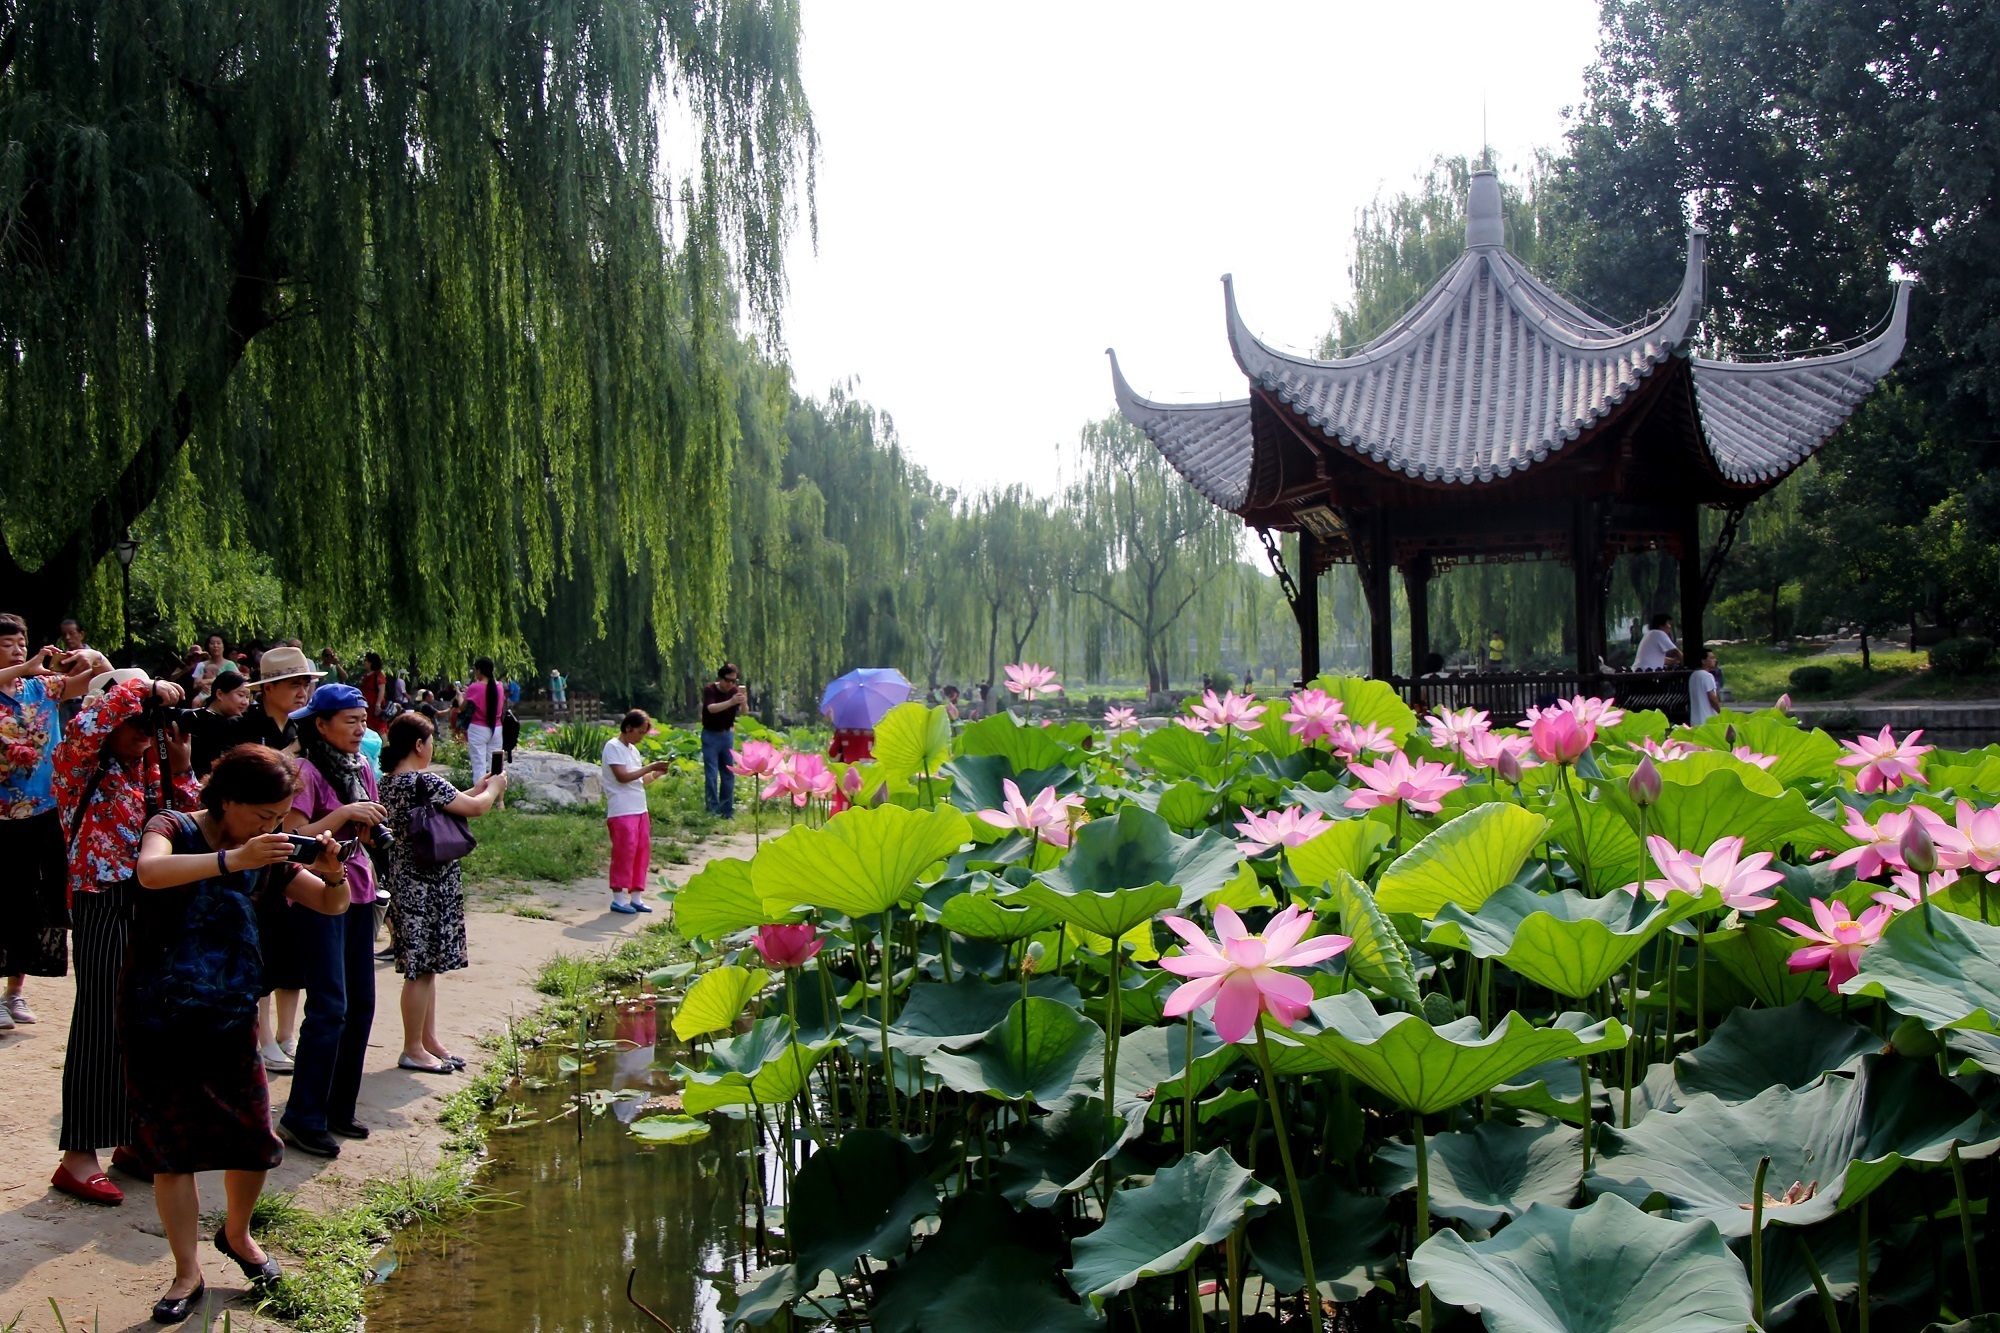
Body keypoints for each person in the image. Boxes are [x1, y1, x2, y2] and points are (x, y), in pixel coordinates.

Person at [131, 745, 351, 1321]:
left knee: (253, 1138)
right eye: (262, 815)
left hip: (232, 1015)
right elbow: (149, 872)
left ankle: (237, 1234)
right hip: (162, 1012)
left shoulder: (269, 851)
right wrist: (233, 859)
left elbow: (331, 906)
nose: (272, 828)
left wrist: (333, 875)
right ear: (227, 799)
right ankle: (186, 1271)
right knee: (171, 1150)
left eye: (279, 818)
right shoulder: (172, 825)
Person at [49, 669, 201, 1206]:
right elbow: (90, 725)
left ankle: (136, 1139)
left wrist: (181, 769)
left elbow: (187, 825)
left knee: (150, 1022)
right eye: (133, 719)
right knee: (100, 1018)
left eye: (151, 722)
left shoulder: (151, 769)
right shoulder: (77, 761)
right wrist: (141, 691)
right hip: (101, 899)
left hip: (151, 900)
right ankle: (78, 1156)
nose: (143, 729)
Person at [279, 684, 386, 1158]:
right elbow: (292, 836)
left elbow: (366, 831)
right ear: (321, 725)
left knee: (361, 1003)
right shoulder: (305, 770)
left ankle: (339, 1107)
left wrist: (366, 827)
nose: (359, 729)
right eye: (349, 721)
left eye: (363, 720)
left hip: (358, 888)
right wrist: (343, 812)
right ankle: (303, 1115)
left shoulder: (362, 765)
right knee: (329, 1006)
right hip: (319, 894)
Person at [378, 713, 506, 1071]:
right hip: (428, 881)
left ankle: (427, 1040)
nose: (432, 746)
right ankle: (412, 1048)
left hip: (405, 877)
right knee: (419, 970)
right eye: (431, 739)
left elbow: (440, 807)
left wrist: (479, 787)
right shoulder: (426, 780)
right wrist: (494, 790)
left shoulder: (387, 783)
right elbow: (475, 809)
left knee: (426, 967)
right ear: (419, 745)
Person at [0, 623, 107, 1032]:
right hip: (1, 815)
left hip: (45, 811)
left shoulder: (40, 689)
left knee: (37, 902)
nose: (17, 649)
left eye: (22, 643)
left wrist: (91, 655)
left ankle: (15, 992)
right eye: (7, 643)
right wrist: (29, 665)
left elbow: (104, 685)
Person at [602, 710, 670, 914]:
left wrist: (655, 774)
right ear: (628, 727)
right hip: (622, 808)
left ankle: (636, 896)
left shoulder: (633, 751)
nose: (640, 737)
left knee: (641, 851)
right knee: (624, 851)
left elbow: (639, 780)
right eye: (639, 732)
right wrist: (650, 767)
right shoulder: (613, 746)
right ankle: (618, 896)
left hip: (640, 807)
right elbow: (622, 777)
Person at [187, 669, 253, 778]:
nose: (245, 702)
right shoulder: (206, 722)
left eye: (247, 697)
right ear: (219, 694)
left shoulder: (229, 722)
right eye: (241, 695)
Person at [700, 662, 746, 817]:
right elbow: (711, 708)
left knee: (728, 774)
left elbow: (745, 713)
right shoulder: (710, 690)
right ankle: (712, 809)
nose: (730, 684)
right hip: (711, 735)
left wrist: (743, 700)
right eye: (728, 680)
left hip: (727, 735)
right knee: (711, 774)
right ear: (720, 678)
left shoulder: (734, 691)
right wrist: (731, 702)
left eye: (734, 681)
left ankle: (727, 810)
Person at [460, 657, 507, 784]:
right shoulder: (500, 687)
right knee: (496, 764)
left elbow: (462, 708)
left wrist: (460, 696)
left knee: (479, 764)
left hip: (478, 728)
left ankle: (480, 795)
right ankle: (497, 796)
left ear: (479, 670)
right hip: (496, 728)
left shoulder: (474, 687)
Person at [1689, 646, 1722, 727]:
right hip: (1707, 721)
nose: (1715, 660)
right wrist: (1721, 713)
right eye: (1711, 658)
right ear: (1703, 661)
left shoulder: (1693, 675)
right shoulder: (1707, 676)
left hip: (1695, 721)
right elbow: (1712, 698)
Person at [358, 652, 389, 735]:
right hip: (367, 707)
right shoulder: (366, 675)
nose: (364, 662)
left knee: (380, 729)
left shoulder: (378, 675)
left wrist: (378, 704)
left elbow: (381, 690)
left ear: (371, 662)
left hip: (375, 708)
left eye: (366, 660)